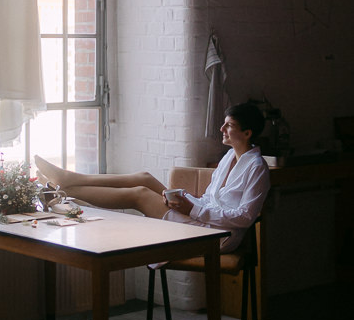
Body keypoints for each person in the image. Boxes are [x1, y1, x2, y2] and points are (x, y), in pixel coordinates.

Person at [36, 102, 270, 252]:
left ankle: (64, 189)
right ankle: (67, 179)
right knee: (145, 177)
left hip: (218, 235)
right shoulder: (229, 157)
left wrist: (193, 210)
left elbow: (245, 217)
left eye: (229, 126)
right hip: (203, 217)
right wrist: (188, 201)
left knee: (140, 194)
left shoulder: (257, 168)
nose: (221, 129)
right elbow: (211, 198)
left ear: (247, 133)